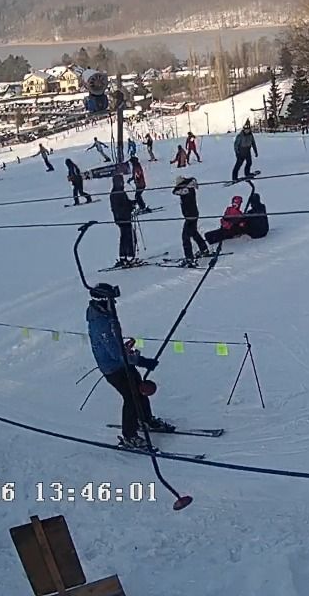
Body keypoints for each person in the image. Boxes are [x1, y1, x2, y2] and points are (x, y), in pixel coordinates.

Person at [85, 283, 174, 449]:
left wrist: (127, 349)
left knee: (139, 390)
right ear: (103, 302)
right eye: (112, 301)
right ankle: (129, 435)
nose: (114, 304)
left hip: (122, 364)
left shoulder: (106, 316)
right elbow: (115, 353)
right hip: (113, 368)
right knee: (131, 397)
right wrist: (141, 361)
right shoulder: (101, 324)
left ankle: (145, 419)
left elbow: (116, 347)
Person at [173, 176, 210, 267]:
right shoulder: (189, 188)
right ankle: (204, 249)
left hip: (190, 216)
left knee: (185, 237)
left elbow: (175, 192)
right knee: (193, 232)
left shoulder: (186, 190)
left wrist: (179, 187)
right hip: (192, 215)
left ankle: (189, 258)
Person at [109, 175, 137, 268]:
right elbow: (119, 207)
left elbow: (125, 202)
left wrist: (132, 203)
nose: (122, 183)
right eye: (121, 181)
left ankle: (127, 256)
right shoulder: (116, 193)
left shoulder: (120, 191)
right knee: (126, 236)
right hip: (122, 218)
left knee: (128, 236)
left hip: (124, 217)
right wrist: (129, 207)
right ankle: (126, 256)